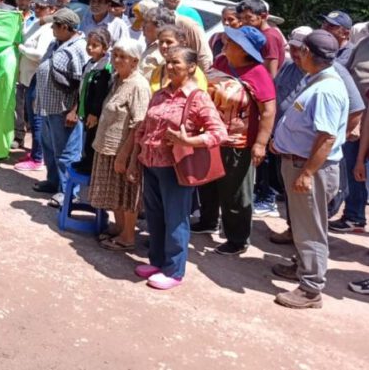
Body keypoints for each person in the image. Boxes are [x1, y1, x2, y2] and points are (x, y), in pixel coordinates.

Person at [126, 47, 226, 290]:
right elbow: (144, 128)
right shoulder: (160, 94)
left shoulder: (197, 97)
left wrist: (188, 141)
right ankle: (158, 262)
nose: (169, 67)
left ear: (192, 67)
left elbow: (218, 133)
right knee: (155, 217)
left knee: (175, 219)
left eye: (176, 63)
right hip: (151, 165)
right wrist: (135, 159)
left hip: (175, 168)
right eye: (168, 63)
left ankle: (174, 270)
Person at [269, 30, 349, 309]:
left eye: (300, 50)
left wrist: (306, 173)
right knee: (304, 225)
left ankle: (311, 289)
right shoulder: (317, 79)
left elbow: (326, 138)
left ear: (307, 54)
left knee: (311, 229)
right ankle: (302, 267)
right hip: (300, 163)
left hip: (310, 168)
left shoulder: (327, 89)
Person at [192, 26, 276, 255]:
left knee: (235, 192)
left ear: (244, 49)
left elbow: (268, 111)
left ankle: (238, 239)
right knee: (206, 182)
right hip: (210, 136)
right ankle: (208, 221)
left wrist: (260, 143)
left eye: (232, 41)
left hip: (238, 142)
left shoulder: (258, 74)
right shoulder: (220, 62)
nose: (225, 42)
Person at [92, 38, 151, 252]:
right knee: (116, 194)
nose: (117, 60)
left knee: (127, 195)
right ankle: (119, 228)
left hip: (123, 150)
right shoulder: (118, 79)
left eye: (123, 57)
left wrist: (126, 156)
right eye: (115, 55)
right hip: (108, 146)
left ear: (135, 61)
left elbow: (139, 125)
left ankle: (128, 237)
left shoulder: (138, 86)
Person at [30, 8, 89, 207]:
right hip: (48, 107)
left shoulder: (79, 48)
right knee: (49, 147)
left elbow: (83, 83)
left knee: (67, 153)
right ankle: (53, 181)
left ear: (65, 27)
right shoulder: (57, 43)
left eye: (55, 25)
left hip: (65, 110)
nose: (52, 28)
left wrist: (75, 111)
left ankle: (69, 193)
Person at [13, 0, 59, 157]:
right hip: (27, 77)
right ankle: (35, 153)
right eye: (36, 6)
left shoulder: (48, 28)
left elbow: (40, 54)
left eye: (42, 7)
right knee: (32, 118)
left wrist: (20, 48)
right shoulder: (35, 23)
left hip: (38, 78)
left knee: (37, 120)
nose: (38, 9)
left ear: (53, 9)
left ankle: (38, 157)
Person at [75, 28, 114, 175]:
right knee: (86, 137)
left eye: (95, 45)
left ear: (105, 47)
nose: (90, 48)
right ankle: (85, 161)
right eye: (88, 44)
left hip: (94, 113)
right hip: (85, 109)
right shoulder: (90, 64)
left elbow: (100, 94)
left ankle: (90, 165)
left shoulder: (105, 69)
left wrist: (94, 113)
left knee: (92, 138)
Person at [236, 0, 287, 77]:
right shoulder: (257, 35)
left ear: (263, 16)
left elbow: (270, 73)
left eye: (248, 17)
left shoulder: (269, 37)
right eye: (241, 18)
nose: (244, 22)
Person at [148, 24, 207, 92]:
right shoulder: (156, 72)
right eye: (161, 42)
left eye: (169, 42)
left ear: (182, 43)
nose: (163, 46)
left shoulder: (192, 72)